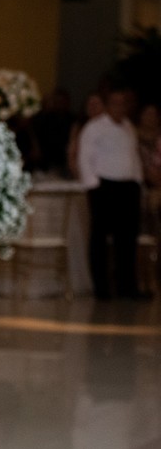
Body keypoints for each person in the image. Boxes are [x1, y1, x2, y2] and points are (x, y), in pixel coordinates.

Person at [77, 88, 146, 300]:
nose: (119, 107)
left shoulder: (129, 127)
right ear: (108, 106)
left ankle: (127, 287)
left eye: (123, 103)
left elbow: (133, 155)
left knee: (127, 238)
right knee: (99, 237)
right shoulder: (94, 127)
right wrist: (92, 184)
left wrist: (137, 181)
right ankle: (102, 288)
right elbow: (84, 156)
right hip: (104, 187)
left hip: (128, 187)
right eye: (115, 103)